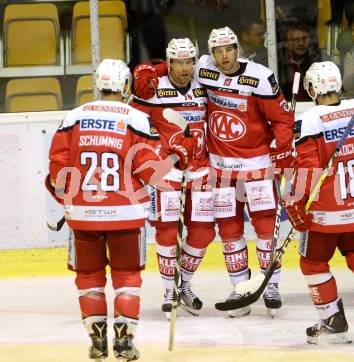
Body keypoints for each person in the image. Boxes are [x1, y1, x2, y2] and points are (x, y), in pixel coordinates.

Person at [133, 27, 295, 317]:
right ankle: (225, 289)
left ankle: (271, 286)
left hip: (243, 167)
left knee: (256, 229)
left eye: (229, 49)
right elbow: (134, 125)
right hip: (210, 170)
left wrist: (283, 148)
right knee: (225, 231)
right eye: (218, 50)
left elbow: (282, 119)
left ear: (237, 49)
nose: (224, 56)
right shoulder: (180, 78)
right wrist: (147, 70)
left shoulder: (253, 76)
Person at [46, 59, 193, 361]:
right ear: (125, 86)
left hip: (83, 215)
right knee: (127, 276)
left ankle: (97, 342)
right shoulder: (136, 118)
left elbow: (57, 170)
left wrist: (70, 202)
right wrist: (178, 154)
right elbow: (152, 172)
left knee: (88, 276)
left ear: (98, 85)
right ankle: (124, 342)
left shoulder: (73, 117)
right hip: (126, 215)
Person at [284, 61, 354, 344]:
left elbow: (307, 168)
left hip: (326, 213)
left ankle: (332, 321)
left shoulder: (310, 119)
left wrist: (295, 201)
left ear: (313, 87)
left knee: (313, 264)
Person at [131, 38, 214, 318]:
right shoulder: (154, 89)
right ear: (168, 62)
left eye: (189, 60)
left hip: (200, 169)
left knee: (204, 231)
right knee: (167, 231)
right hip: (167, 171)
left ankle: (184, 284)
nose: (184, 67)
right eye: (178, 61)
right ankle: (170, 290)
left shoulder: (203, 84)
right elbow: (132, 125)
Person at [278, 22, 321, 101]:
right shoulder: (278, 64)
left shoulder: (316, 62)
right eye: (296, 40)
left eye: (304, 39)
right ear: (286, 43)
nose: (301, 43)